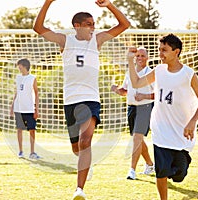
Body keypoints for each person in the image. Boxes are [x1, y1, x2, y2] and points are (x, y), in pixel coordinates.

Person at [33, 0, 130, 199]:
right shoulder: (65, 41)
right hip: (70, 101)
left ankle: (79, 190)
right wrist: (48, 2)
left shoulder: (97, 40)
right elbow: (38, 28)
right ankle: (86, 165)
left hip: (90, 99)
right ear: (77, 26)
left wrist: (109, 5)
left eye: (94, 24)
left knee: (86, 142)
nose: (93, 28)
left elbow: (124, 25)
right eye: (88, 24)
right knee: (76, 147)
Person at [127, 34, 198, 200]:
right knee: (161, 172)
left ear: (176, 51)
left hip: (181, 132)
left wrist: (192, 122)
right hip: (160, 130)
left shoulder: (188, 74)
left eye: (164, 50)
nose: (160, 53)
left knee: (179, 175)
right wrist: (130, 61)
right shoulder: (158, 70)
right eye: (159, 49)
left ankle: (181, 163)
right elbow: (136, 83)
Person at [111, 47, 155, 180]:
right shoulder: (129, 72)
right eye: (138, 56)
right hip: (131, 108)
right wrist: (116, 89)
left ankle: (132, 170)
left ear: (147, 58)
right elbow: (125, 91)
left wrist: (144, 96)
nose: (140, 58)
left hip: (145, 107)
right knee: (138, 140)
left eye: (142, 55)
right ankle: (150, 164)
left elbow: (157, 94)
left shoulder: (151, 73)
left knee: (137, 138)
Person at [10, 58, 41, 160]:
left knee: (32, 130)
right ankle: (20, 151)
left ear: (25, 67)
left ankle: (32, 152)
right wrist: (12, 106)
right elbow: (17, 92)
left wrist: (37, 109)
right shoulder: (18, 78)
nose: (19, 68)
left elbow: (36, 93)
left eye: (20, 66)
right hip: (19, 108)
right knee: (19, 130)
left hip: (29, 109)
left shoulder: (32, 78)